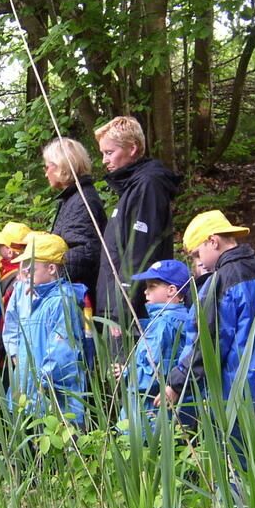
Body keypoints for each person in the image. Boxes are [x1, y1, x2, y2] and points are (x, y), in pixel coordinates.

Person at [160, 211, 255, 448]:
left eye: (197, 253)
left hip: (233, 394)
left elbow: (207, 344)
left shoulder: (220, 282)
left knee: (233, 465)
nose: (199, 261)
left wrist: (176, 383)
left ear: (213, 241)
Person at [93, 116, 179, 330]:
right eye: (103, 153)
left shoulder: (148, 185)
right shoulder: (132, 188)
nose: (104, 160)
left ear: (132, 149)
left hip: (132, 311)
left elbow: (140, 250)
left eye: (109, 153)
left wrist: (120, 311)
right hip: (117, 303)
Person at [8, 232, 90, 427]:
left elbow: (63, 353)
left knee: (57, 452)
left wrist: (43, 383)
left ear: (52, 268)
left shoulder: (62, 301)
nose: (26, 272)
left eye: (31, 267)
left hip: (54, 400)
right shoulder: (33, 298)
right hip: (31, 397)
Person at [116, 260, 191, 436]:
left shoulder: (163, 324)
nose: (145, 291)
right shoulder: (187, 319)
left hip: (148, 417)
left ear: (172, 290)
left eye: (152, 286)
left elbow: (156, 373)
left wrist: (127, 372)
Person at [43, 137, 107, 301]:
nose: (45, 173)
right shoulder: (72, 198)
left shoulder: (83, 200)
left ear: (61, 167)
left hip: (81, 296)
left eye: (47, 166)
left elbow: (86, 251)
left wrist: (47, 271)